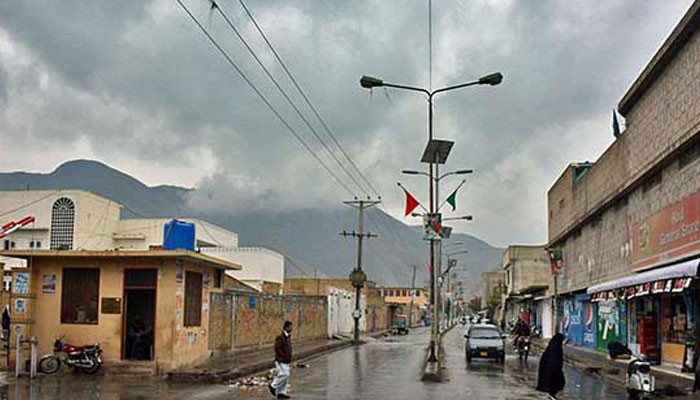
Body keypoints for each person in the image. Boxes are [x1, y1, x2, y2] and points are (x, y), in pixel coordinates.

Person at [536, 333, 566, 398]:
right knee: (556, 383)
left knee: (553, 383)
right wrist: (557, 367)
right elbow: (555, 359)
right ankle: (552, 395)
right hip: (553, 369)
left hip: (550, 369)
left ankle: (552, 395)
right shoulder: (556, 348)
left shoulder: (553, 346)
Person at [269, 321, 293, 399]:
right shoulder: (280, 337)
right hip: (281, 360)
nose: (291, 328)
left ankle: (281, 393)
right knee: (285, 374)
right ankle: (273, 385)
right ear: (286, 327)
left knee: (286, 378)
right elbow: (277, 348)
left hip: (287, 360)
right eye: (290, 327)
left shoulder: (288, 336)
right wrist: (282, 357)